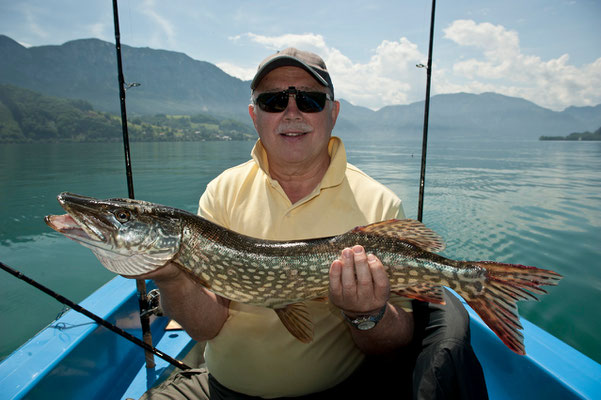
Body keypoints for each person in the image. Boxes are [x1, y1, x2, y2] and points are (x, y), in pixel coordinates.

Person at [139, 48, 488, 399]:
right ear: (254, 115)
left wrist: (368, 314)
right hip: (220, 389)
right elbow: (205, 326)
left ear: (332, 113)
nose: (292, 113)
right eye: (274, 101)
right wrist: (171, 278)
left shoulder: (379, 202)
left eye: (309, 100)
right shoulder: (222, 191)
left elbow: (393, 345)